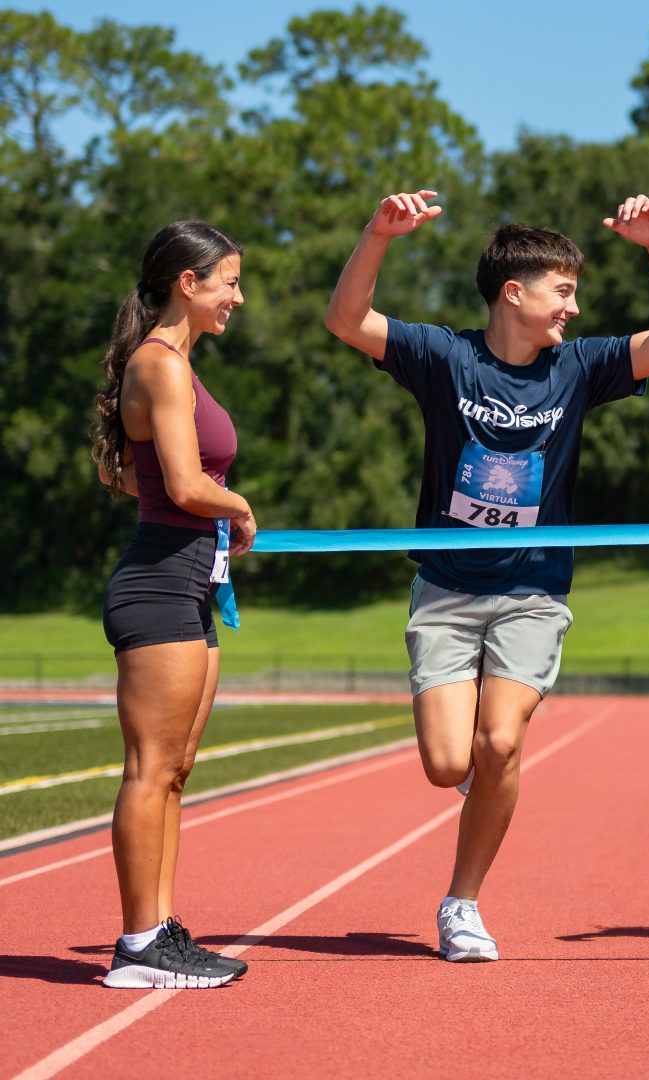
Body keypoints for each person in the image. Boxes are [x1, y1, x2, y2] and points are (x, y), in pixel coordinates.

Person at [324, 190, 649, 961]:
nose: (572, 305)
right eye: (563, 289)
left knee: (498, 745)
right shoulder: (443, 357)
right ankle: (477, 786)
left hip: (532, 592)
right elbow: (345, 322)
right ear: (513, 292)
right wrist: (376, 236)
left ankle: (462, 905)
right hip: (447, 592)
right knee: (446, 765)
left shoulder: (581, 366)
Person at [93, 220, 256, 989]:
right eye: (227, 281)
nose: (238, 296)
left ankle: (158, 934)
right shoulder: (159, 363)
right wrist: (242, 508)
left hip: (193, 587)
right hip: (159, 584)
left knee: (177, 769)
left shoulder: (176, 365)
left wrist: (215, 524)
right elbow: (189, 488)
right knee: (151, 766)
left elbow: (128, 476)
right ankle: (135, 945)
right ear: (186, 284)